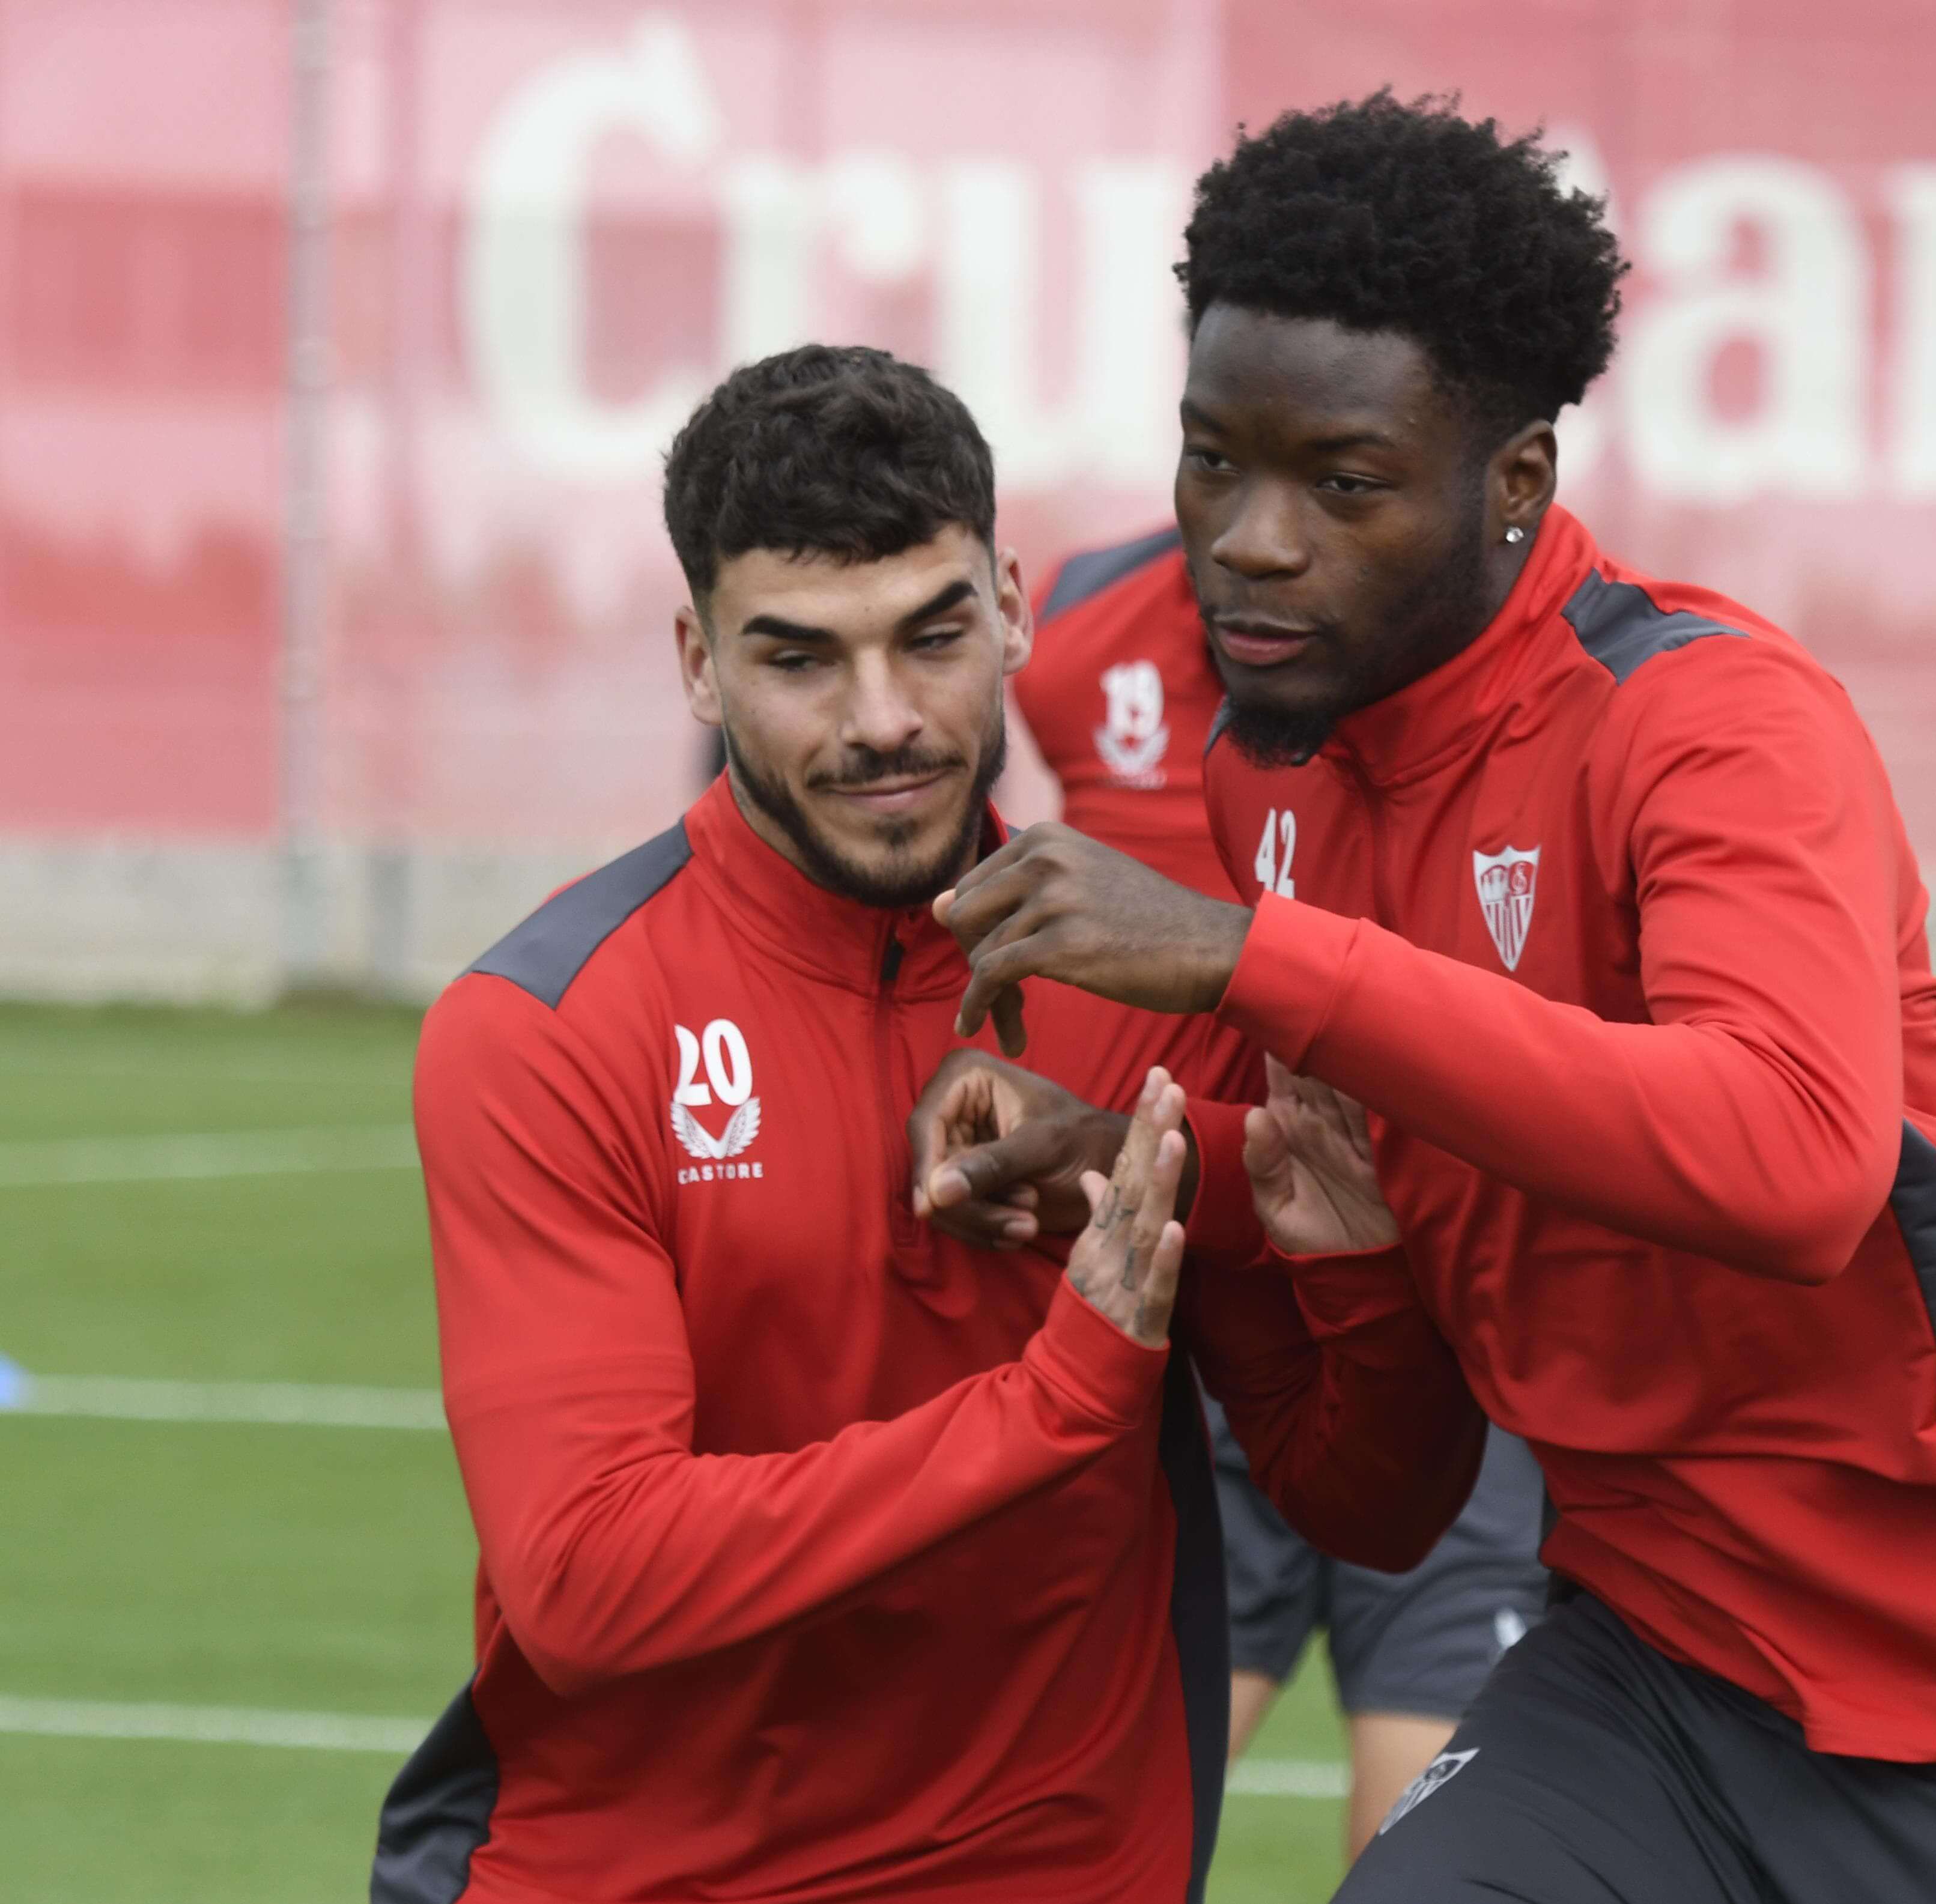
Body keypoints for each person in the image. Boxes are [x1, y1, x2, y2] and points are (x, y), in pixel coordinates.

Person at [912, 96, 1936, 1903]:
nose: (1247, 540)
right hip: (1648, 1672)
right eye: (1211, 460)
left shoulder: (1711, 724)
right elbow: (1398, 1396)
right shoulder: (1277, 785)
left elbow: (1791, 1162)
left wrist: (1255, 962)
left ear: (1516, 484)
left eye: (1342, 480)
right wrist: (1155, 1180)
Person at [379, 343, 1485, 1904]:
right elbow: (588, 1580)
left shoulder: (1160, 983)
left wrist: (1362, 1262)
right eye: (800, 658)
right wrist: (1059, 1399)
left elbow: (1369, 1504)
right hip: (637, 1871)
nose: (884, 718)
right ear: (697, 662)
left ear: (1015, 606)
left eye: (933, 634)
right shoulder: (548, 1031)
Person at [1010, 526, 1550, 1858]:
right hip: (1204, 1346)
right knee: (1059, 1845)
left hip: (1436, 1353)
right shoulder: (1076, 634)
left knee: (1431, 1863)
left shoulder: (1482, 657)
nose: (1262, 521)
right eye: (1221, 448)